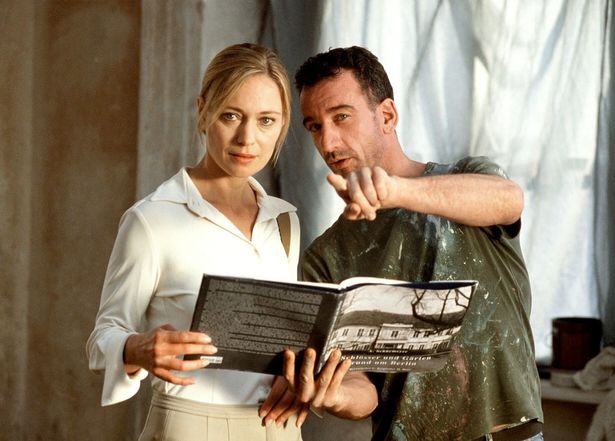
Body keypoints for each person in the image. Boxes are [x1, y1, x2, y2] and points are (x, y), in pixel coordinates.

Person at [260, 46, 543, 441]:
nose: (328, 142)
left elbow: (508, 200)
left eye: (341, 117)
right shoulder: (324, 257)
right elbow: (364, 388)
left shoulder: (467, 177)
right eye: (314, 126)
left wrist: (393, 191)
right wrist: (334, 394)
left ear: (387, 116)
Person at [86, 43, 304, 441]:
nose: (247, 138)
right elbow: (103, 337)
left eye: (266, 121)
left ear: (282, 124)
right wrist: (136, 348)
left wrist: (295, 374)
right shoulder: (152, 220)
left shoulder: (284, 221)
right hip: (190, 425)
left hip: (280, 426)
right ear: (203, 112)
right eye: (231, 115)